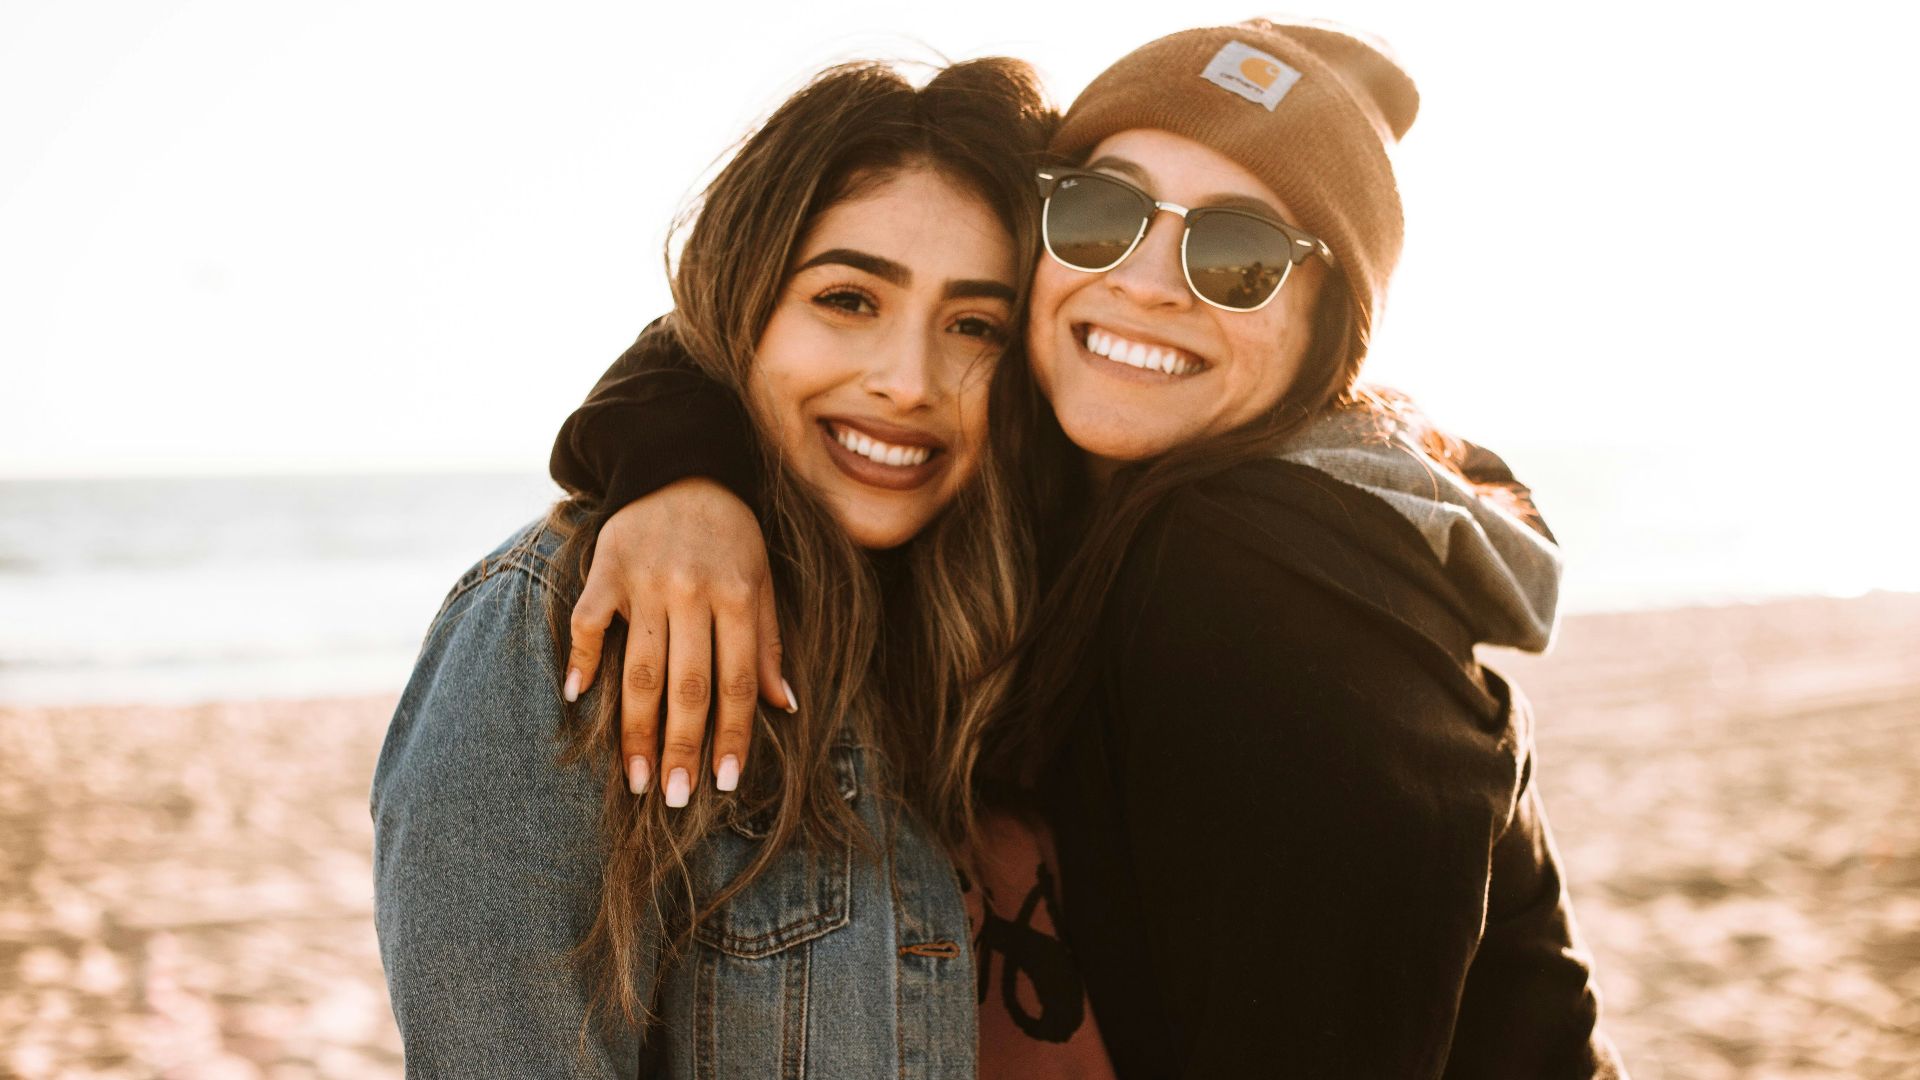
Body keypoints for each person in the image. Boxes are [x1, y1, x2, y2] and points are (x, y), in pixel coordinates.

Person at [547, 19, 1630, 1079]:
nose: (1149, 284)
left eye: (1240, 252)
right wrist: (686, 470)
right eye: (1105, 213)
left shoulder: (1262, 575)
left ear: (1325, 330)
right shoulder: (1056, 479)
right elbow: (761, 308)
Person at [369, 57, 1116, 1077]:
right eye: (848, 299)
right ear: (744, 304)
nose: (908, 382)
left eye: (974, 326)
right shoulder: (561, 624)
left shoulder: (1020, 612)